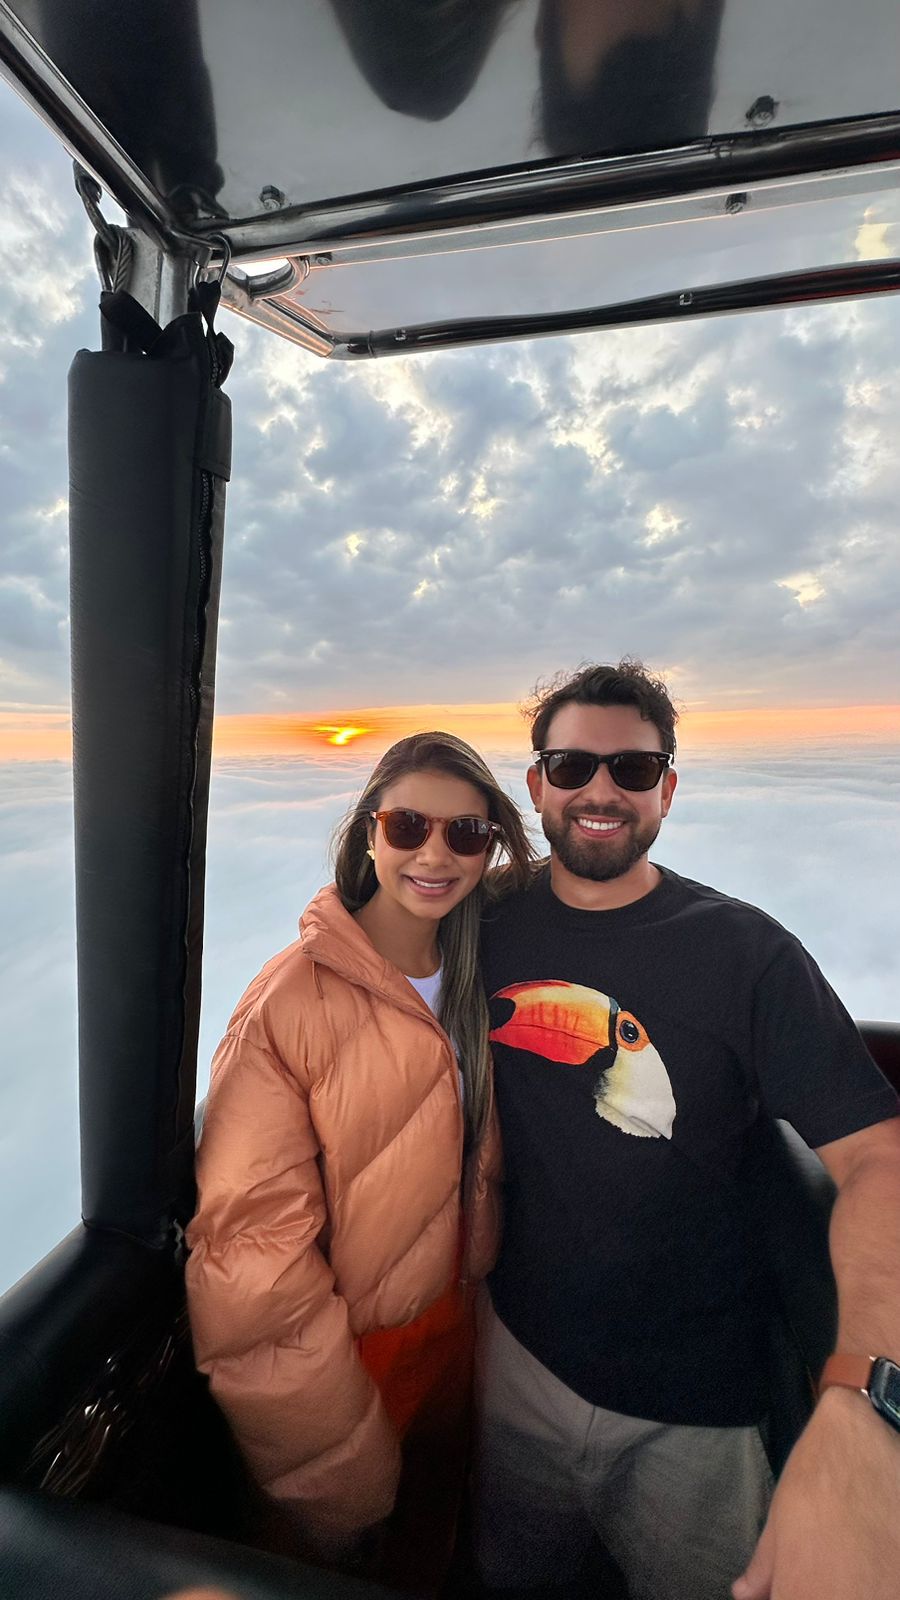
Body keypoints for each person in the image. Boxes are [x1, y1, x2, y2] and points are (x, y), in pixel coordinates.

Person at [475, 660, 900, 1600]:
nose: (600, 791)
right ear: (536, 783)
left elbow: (879, 1157)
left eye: (632, 770)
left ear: (667, 790)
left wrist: (863, 1398)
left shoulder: (746, 955)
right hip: (519, 1357)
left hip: (698, 1411)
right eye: (571, 765)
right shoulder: (480, 921)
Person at [185, 731, 535, 1593]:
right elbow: (251, 1262)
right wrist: (330, 1455)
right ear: (367, 834)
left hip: (463, 1329)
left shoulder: (479, 965)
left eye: (467, 835)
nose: (434, 853)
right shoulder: (290, 1003)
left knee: (433, 1547)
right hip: (350, 1363)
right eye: (407, 824)